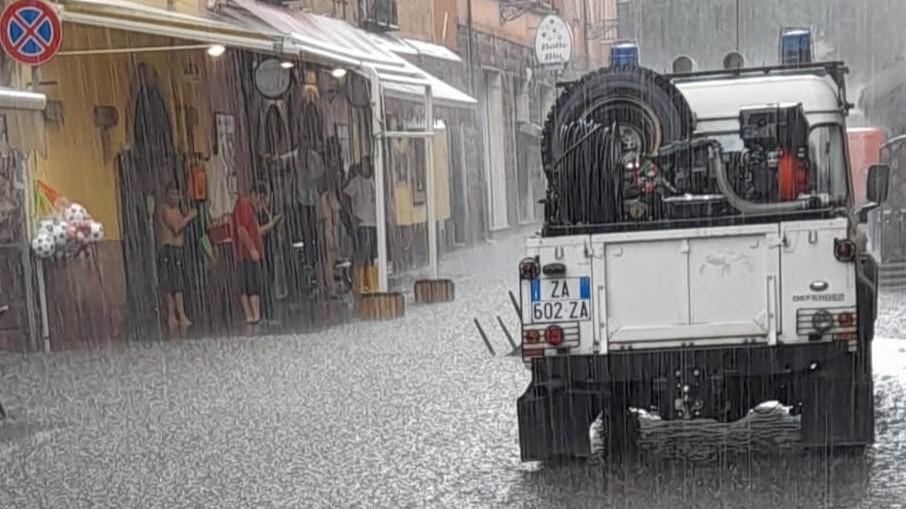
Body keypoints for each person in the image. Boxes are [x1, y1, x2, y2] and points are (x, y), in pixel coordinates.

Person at [157, 183, 198, 331]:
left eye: (178, 194)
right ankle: (172, 315)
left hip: (178, 249)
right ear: (167, 195)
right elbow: (176, 228)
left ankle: (180, 314)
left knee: (178, 283)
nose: (176, 198)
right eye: (173, 194)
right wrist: (189, 217)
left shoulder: (178, 209)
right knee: (169, 283)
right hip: (168, 249)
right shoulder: (165, 209)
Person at [233, 183, 271, 325]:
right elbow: (241, 229)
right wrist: (251, 249)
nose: (261, 203)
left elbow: (256, 231)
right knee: (251, 284)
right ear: (254, 195)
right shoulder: (244, 206)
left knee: (249, 284)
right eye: (260, 199)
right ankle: (254, 315)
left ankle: (253, 315)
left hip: (248, 253)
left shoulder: (250, 210)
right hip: (246, 254)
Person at [343, 157, 378, 293]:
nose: (365, 168)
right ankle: (357, 281)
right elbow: (345, 196)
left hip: (373, 221)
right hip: (362, 222)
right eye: (363, 166)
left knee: (371, 254)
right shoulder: (356, 182)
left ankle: (369, 281)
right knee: (362, 252)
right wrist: (351, 215)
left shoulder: (374, 181)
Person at [318, 170, 342, 299]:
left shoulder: (329, 196)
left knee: (329, 261)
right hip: (328, 231)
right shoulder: (326, 198)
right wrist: (330, 237)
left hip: (331, 230)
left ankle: (328, 287)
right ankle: (330, 288)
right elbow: (327, 219)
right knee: (328, 261)